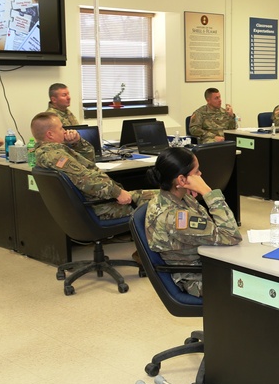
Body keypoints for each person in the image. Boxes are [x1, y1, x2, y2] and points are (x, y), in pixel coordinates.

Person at [144, 147, 241, 297]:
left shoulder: (175, 196)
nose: (200, 174)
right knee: (260, 288)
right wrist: (208, 193)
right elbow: (232, 235)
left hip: (209, 260)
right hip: (198, 277)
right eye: (196, 172)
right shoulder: (175, 217)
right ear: (181, 180)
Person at [30, 111, 154, 219]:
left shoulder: (50, 152)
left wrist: (76, 142)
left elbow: (89, 162)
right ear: (50, 134)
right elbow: (86, 180)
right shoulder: (55, 156)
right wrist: (117, 192)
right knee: (166, 198)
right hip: (103, 206)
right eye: (61, 128)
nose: (65, 131)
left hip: (99, 201)